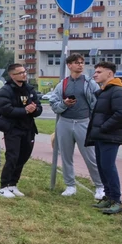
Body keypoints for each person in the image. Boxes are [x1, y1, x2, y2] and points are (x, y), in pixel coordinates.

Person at [46, 54, 105, 199]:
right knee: (66, 156)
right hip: (65, 122)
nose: (80, 65)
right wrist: (64, 104)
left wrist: (94, 121)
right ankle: (70, 185)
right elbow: (53, 103)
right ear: (69, 65)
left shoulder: (90, 83)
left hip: (83, 122)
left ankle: (100, 186)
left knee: (90, 157)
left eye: (82, 62)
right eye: (76, 63)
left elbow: (97, 103)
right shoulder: (63, 84)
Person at [85, 61, 122, 215]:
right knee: (103, 167)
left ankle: (116, 200)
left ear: (109, 73)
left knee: (108, 167)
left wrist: (103, 128)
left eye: (99, 72)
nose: (95, 74)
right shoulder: (105, 90)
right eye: (95, 71)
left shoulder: (118, 91)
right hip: (101, 136)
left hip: (110, 136)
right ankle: (108, 197)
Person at [0, 63, 42, 198]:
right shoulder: (5, 90)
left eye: (24, 72)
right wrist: (25, 110)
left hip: (28, 129)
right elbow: (5, 109)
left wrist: (34, 110)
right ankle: (3, 187)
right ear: (12, 75)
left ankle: (13, 184)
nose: (24, 74)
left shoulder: (29, 89)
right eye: (20, 73)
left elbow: (38, 107)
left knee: (23, 157)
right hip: (12, 129)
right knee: (12, 157)